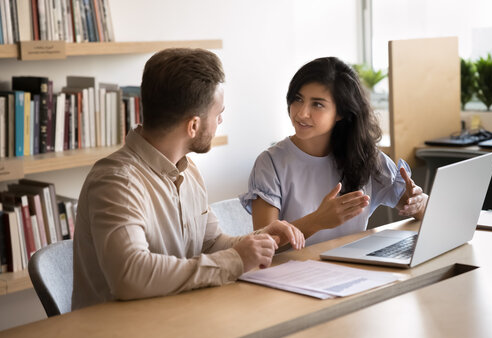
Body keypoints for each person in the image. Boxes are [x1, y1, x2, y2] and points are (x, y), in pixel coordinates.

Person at [72, 48, 304, 310]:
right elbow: (130, 275)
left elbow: (211, 243)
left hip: (178, 316)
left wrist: (260, 240)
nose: (220, 121)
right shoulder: (117, 182)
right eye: (217, 114)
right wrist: (234, 261)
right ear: (193, 126)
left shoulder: (187, 170)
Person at [240, 57, 427, 246]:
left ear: (341, 113)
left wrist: (419, 203)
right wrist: (317, 221)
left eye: (317, 104)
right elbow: (264, 245)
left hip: (352, 269)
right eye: (298, 99)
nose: (302, 113)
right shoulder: (270, 163)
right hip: (293, 272)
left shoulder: (366, 157)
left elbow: (420, 207)